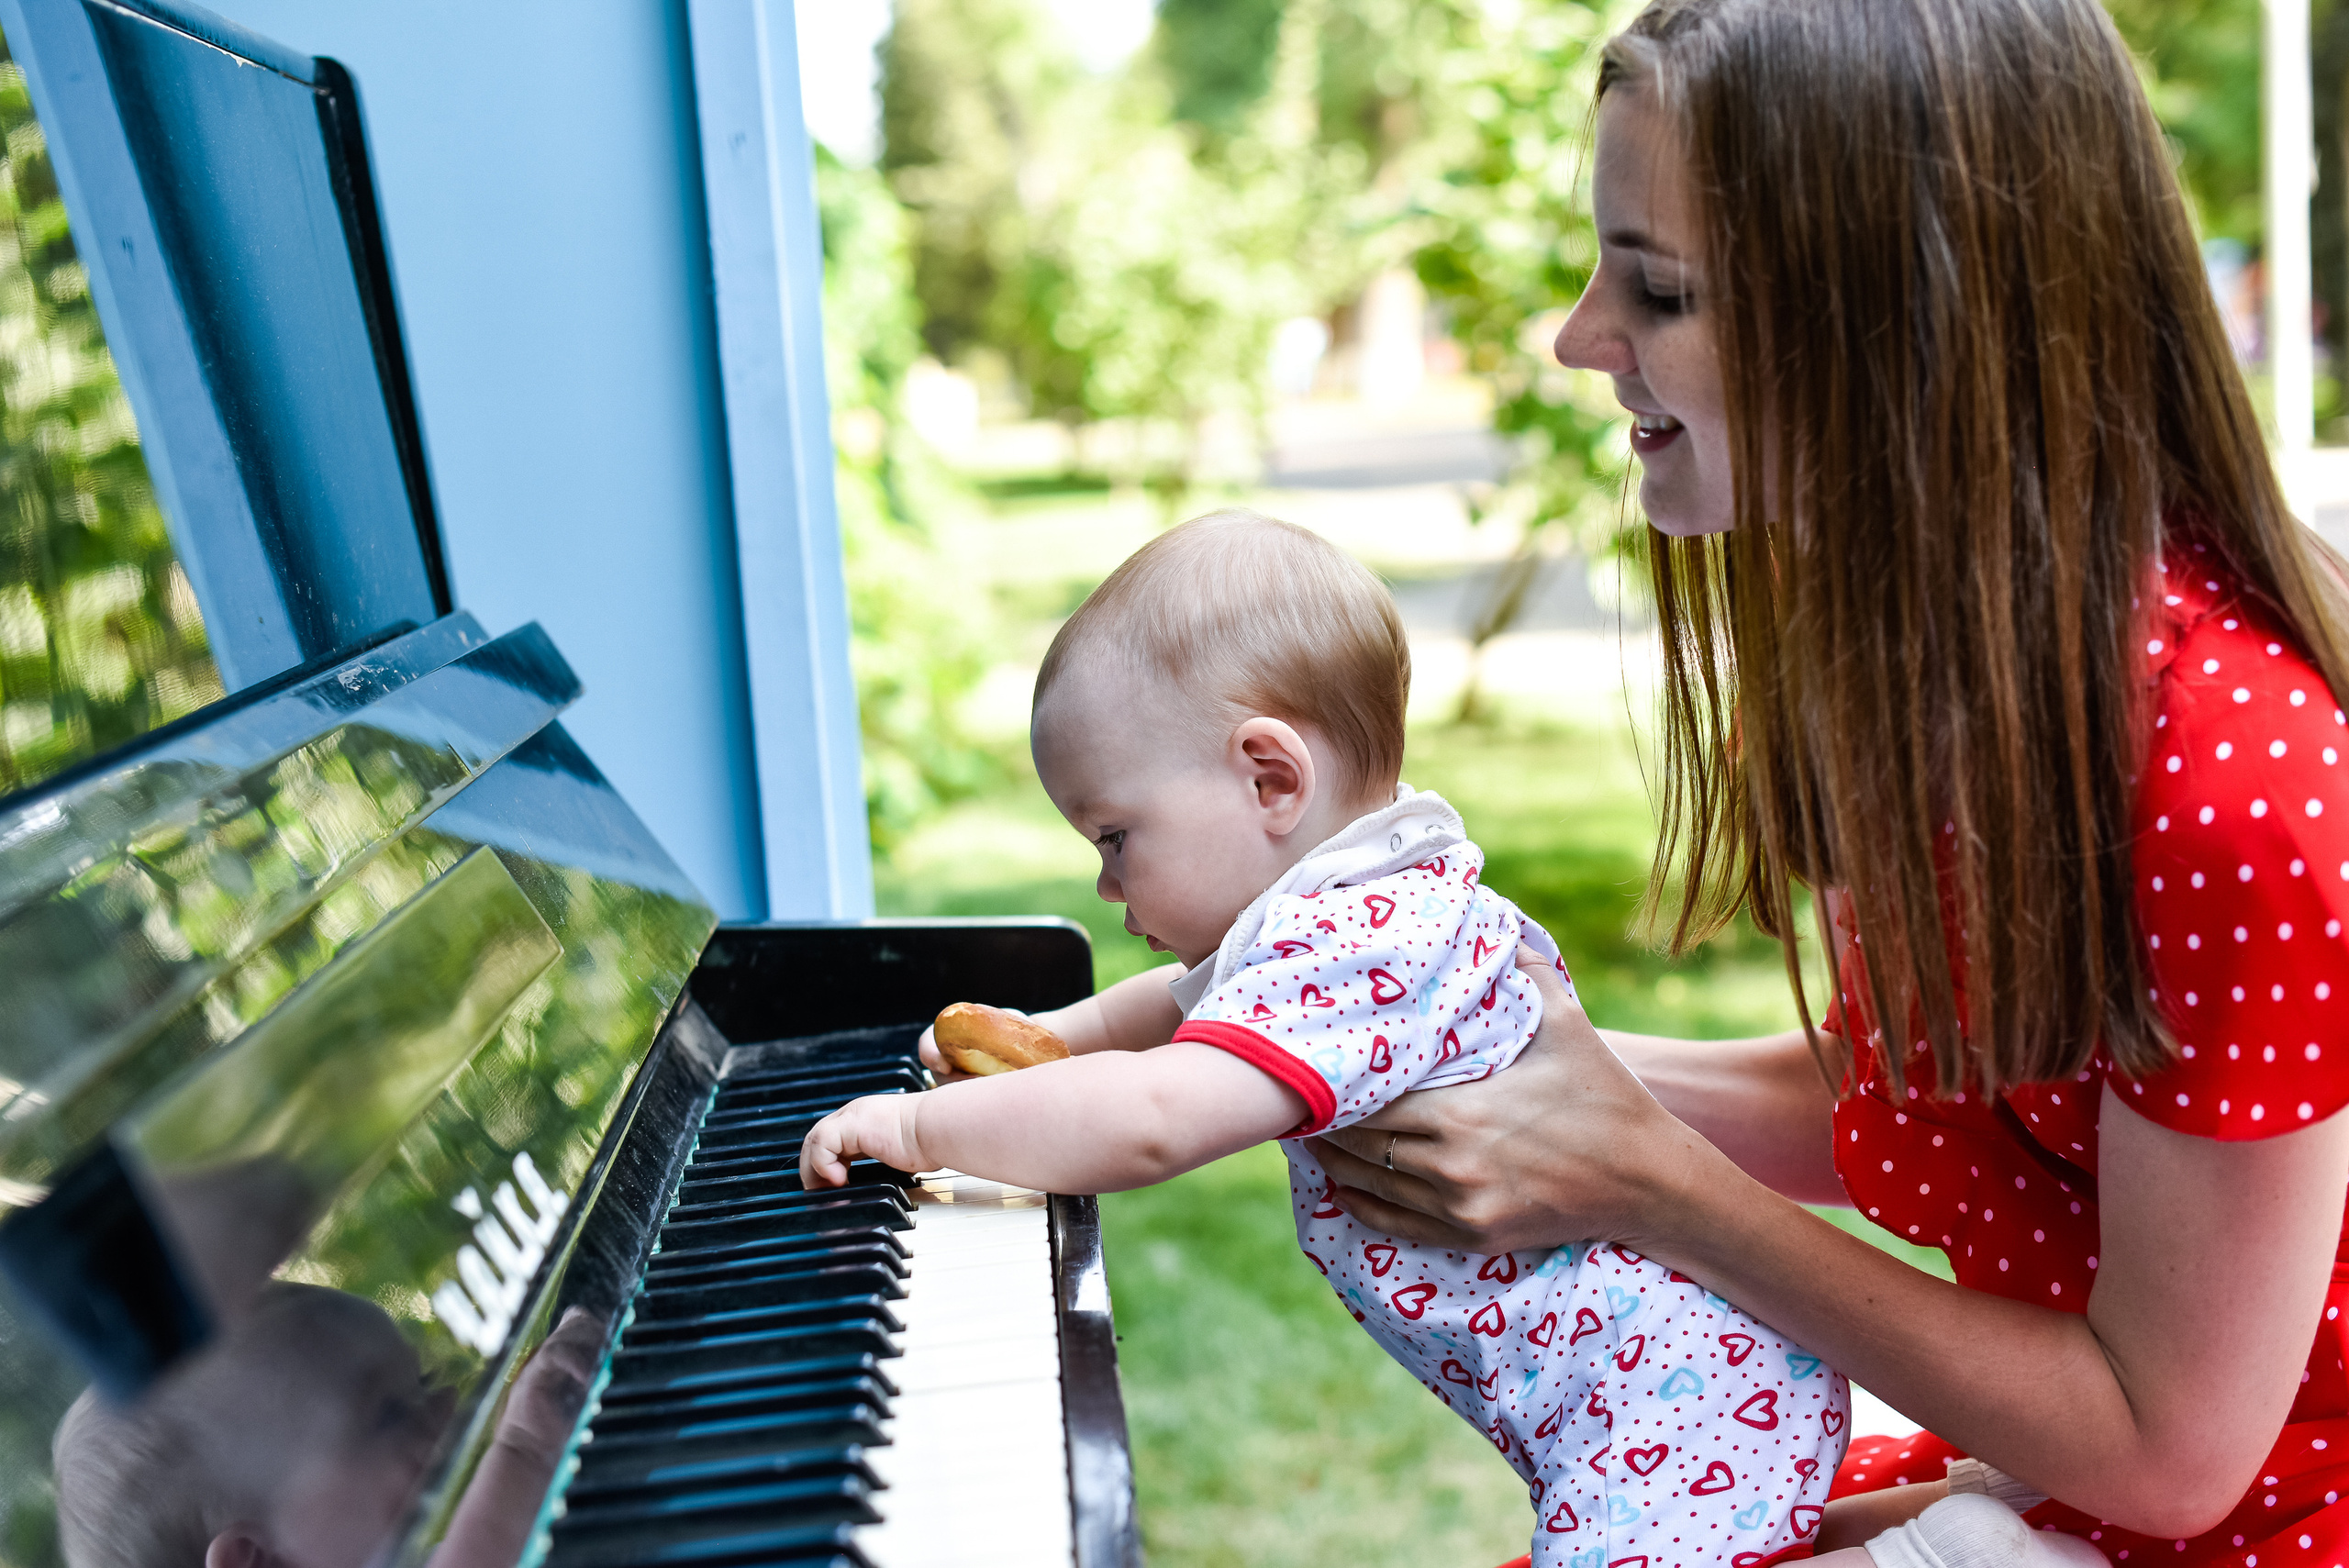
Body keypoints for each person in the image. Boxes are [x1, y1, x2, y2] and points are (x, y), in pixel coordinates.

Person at [1285, 0, 2349, 1561]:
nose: (1583, 338)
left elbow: (2172, 1447)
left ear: (1901, 320)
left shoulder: (2230, 777)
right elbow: (1909, 1086)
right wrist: (1419, 1044)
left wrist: (1658, 1189)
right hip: (2053, 1485)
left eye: (1656, 287)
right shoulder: (1955, 658)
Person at [804, 511, 2097, 1568]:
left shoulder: (1354, 945)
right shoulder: (1345, 900)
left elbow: (1154, 1117)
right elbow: (1166, 1013)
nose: (1105, 885)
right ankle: (1929, 1533)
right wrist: (1054, 1039)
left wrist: (919, 1129)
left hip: (1651, 1407)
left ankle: (1952, 1562)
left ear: (1269, 777)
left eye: (1114, 837)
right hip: (1651, 1395)